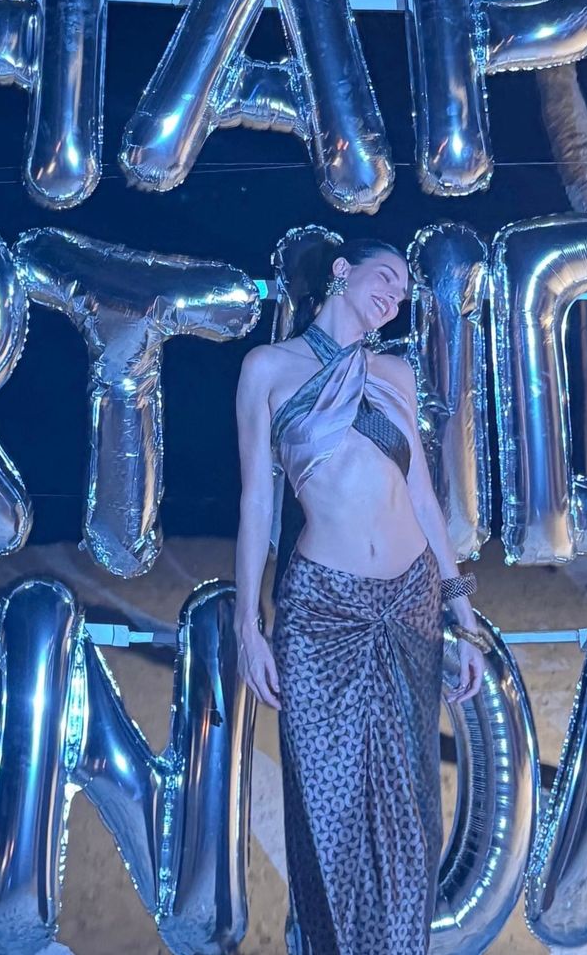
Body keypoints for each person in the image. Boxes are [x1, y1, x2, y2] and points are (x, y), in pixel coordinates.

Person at [234, 237, 486, 954]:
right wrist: (250, 622)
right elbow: (257, 502)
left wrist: (462, 612)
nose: (394, 297)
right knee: (329, 811)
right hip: (322, 615)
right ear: (342, 272)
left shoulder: (394, 373)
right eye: (385, 278)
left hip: (411, 604)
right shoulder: (268, 369)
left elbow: (424, 500)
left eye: (404, 293)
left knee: (409, 815)